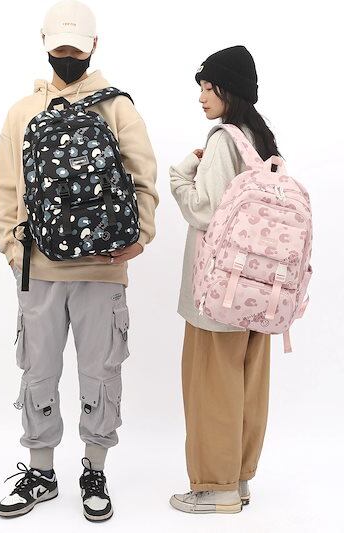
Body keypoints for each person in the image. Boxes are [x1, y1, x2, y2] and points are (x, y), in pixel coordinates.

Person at [0, 0, 158, 521]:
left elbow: (143, 178)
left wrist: (140, 237)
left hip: (104, 268)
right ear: (45, 45)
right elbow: (6, 189)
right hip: (37, 268)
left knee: (100, 372)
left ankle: (94, 470)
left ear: (94, 47)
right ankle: (41, 472)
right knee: (38, 371)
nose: (68, 56)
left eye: (77, 48)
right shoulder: (22, 111)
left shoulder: (118, 107)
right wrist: (14, 251)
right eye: (60, 47)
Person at [169, 45, 281, 514]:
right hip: (259, 290)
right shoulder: (262, 141)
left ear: (227, 89)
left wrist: (180, 175)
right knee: (246, 385)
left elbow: (205, 210)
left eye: (207, 87)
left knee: (211, 386)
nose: (200, 96)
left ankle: (215, 488)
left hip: (218, 291)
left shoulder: (222, 141)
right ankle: (238, 479)